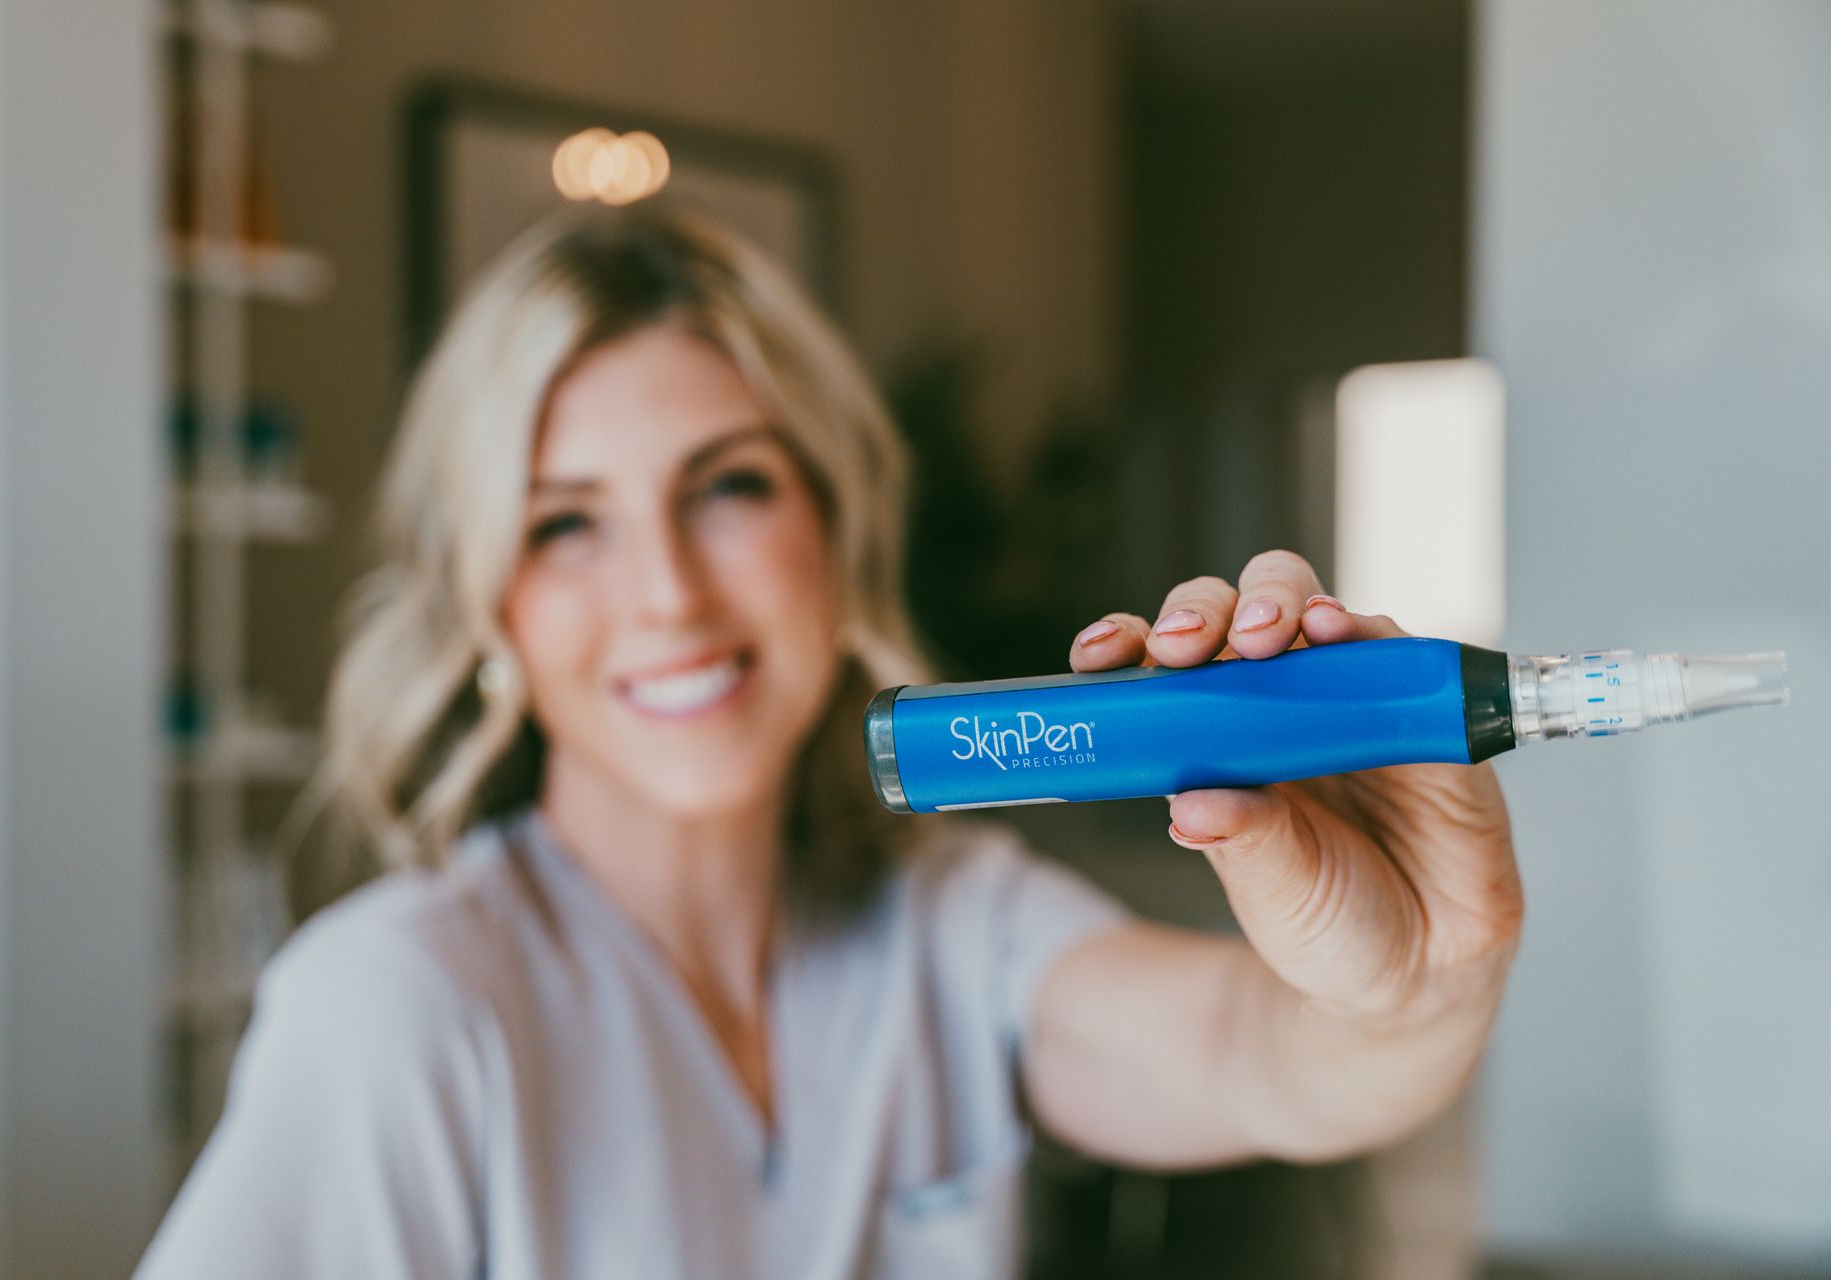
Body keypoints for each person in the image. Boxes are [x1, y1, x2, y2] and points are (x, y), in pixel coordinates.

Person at [136, 209, 1521, 1279]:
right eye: (565, 523)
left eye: (728, 487)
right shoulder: (399, 1007)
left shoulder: (949, 925)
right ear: (488, 601)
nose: (668, 593)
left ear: (836, 530)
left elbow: (1263, 1058)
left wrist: (1417, 985)